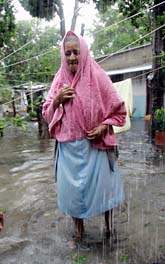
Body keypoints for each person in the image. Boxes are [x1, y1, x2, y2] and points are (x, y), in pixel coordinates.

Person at [42, 31, 126, 241]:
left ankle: (108, 227)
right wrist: (56, 100)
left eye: (76, 52)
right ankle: (79, 230)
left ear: (84, 52)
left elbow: (119, 111)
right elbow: (46, 113)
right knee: (72, 193)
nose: (72, 57)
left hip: (95, 146)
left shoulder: (97, 77)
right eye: (68, 52)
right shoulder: (59, 79)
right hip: (68, 148)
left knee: (105, 190)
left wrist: (103, 127)